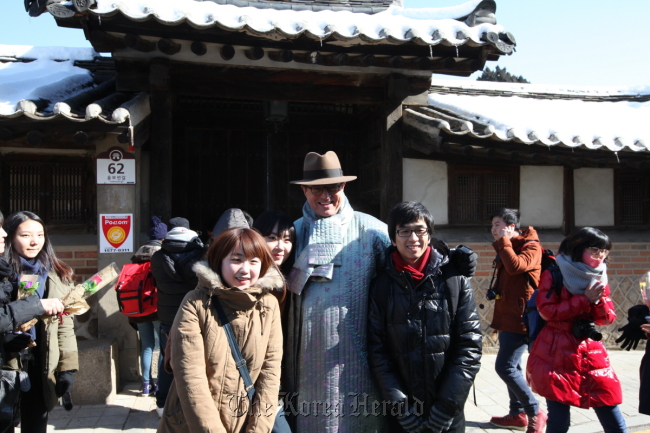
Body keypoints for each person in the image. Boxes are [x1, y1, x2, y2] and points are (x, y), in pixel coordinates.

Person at [284, 151, 476, 433]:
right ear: (304, 190)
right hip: (307, 356)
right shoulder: (294, 233)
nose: (325, 195)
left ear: (344, 187)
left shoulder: (370, 230)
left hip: (362, 355)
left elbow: (411, 249)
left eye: (333, 187)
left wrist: (451, 258)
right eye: (316, 188)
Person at [368, 202, 482, 433]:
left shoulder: (454, 279)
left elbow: (469, 346)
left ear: (429, 235)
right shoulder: (381, 284)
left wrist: (447, 406)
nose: (413, 238)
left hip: (448, 412)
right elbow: (377, 350)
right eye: (404, 231)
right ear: (393, 238)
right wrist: (400, 407)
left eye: (420, 230)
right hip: (402, 416)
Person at [158, 228, 284, 433]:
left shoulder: (268, 305)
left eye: (254, 261)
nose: (245, 269)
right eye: (236, 259)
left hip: (243, 422)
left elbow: (270, 373)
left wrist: (257, 429)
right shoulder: (195, 303)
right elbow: (191, 378)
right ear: (219, 261)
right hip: (191, 424)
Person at [526, 227, 627, 433]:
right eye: (595, 251)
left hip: (591, 350)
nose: (600, 258)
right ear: (578, 248)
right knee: (559, 419)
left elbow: (606, 318)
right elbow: (547, 312)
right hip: (555, 350)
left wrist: (597, 301)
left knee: (609, 407)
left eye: (604, 252)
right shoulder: (554, 273)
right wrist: (584, 300)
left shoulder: (599, 276)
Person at [3, 211, 78, 433]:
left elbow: (65, 324)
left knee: (36, 425)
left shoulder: (57, 273)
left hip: (41, 361)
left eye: (40, 234)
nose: (34, 241)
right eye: (25, 235)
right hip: (7, 362)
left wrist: (67, 368)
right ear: (10, 237)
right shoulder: (3, 274)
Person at [488, 208, 546, 433]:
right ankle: (517, 414)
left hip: (522, 318)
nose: (494, 230)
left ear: (512, 226)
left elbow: (515, 267)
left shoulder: (531, 246)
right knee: (514, 366)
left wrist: (504, 242)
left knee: (505, 367)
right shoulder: (509, 245)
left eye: (498, 224)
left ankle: (534, 410)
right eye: (492, 225)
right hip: (508, 315)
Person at [150, 221, 206, 416]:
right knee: (196, 358)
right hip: (193, 314)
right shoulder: (199, 255)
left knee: (167, 357)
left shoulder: (157, 257)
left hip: (167, 314)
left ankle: (162, 402)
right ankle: (190, 403)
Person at [129, 216, 166, 396]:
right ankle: (159, 383)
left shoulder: (137, 254)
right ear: (163, 238)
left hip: (138, 308)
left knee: (147, 345)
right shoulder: (161, 254)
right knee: (162, 347)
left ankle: (145, 385)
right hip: (157, 307)